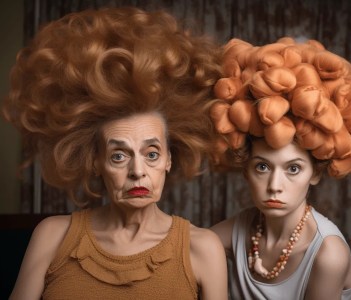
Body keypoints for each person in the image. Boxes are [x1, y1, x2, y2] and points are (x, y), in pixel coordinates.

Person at [2, 7, 228, 300]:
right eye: (118, 156)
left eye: (152, 154)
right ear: (96, 162)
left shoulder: (202, 249)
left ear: (169, 159)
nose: (137, 171)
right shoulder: (53, 236)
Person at [208, 37, 351, 299]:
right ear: (244, 170)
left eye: (293, 169)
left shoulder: (329, 254)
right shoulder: (243, 228)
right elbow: (183, 247)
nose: (274, 185)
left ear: (316, 173)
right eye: (262, 166)